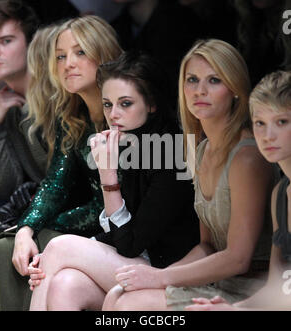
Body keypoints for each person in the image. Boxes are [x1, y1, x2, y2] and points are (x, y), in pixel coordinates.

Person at [102, 39, 278, 311]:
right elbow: (207, 245)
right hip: (218, 279)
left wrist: (161, 277)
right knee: (118, 297)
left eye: (214, 81)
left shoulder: (247, 155)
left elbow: (238, 258)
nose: (200, 91)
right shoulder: (201, 149)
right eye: (192, 80)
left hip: (253, 287)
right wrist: (160, 279)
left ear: (234, 89)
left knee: (128, 305)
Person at [27, 51, 199, 311]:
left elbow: (129, 244)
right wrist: (54, 260)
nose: (113, 114)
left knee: (58, 247)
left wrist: (108, 175)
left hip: (170, 271)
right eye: (108, 104)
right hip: (138, 261)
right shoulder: (130, 141)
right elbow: (116, 234)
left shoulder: (173, 153)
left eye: (125, 103)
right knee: (65, 284)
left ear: (151, 104)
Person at [0, 15, 123, 311]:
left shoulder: (125, 115)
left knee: (48, 242)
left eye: (80, 52)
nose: (68, 64)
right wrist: (26, 228)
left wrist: (44, 226)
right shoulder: (73, 118)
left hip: (126, 234)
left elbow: (118, 200)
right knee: (7, 244)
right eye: (61, 56)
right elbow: (54, 184)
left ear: (103, 53)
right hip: (92, 227)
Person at [186, 70, 291, 311]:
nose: (267, 136)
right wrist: (234, 309)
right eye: (260, 124)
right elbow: (278, 286)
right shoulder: (281, 195)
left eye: (281, 122)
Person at [0, 0, 46, 220]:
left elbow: (61, 177)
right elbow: (6, 188)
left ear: (31, 45)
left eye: (6, 41)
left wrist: (28, 113)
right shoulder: (6, 103)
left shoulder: (57, 94)